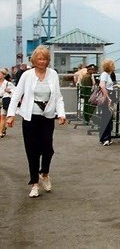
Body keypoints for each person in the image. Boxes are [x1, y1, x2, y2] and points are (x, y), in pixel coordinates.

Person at [6, 46, 67, 198]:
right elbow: (16, 95)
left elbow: (58, 96)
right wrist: (11, 114)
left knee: (47, 149)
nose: (42, 61)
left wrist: (61, 114)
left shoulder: (53, 74)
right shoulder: (27, 75)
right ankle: (34, 183)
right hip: (30, 117)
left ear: (48, 60)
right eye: (39, 59)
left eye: (45, 59)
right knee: (32, 151)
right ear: (34, 60)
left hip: (47, 117)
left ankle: (44, 173)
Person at [98, 59, 116, 146]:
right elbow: (102, 86)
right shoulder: (105, 74)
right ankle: (105, 138)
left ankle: (106, 137)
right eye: (113, 65)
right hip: (107, 98)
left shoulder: (107, 75)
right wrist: (108, 97)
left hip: (108, 96)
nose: (114, 66)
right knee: (106, 117)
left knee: (107, 117)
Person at [0, 68, 15, 138]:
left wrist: (9, 91)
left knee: (2, 116)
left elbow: (15, 92)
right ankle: (3, 128)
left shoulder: (8, 83)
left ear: (4, 75)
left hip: (4, 100)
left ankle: (0, 132)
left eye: (0, 74)